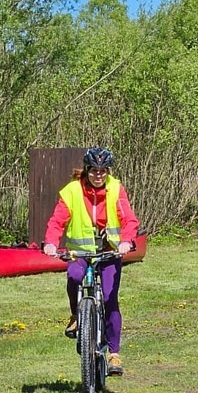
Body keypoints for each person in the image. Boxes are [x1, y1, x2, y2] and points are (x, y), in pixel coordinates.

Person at [43, 147, 139, 376]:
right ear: (87, 170)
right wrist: (50, 243)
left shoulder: (116, 189)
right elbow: (57, 221)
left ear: (108, 171)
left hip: (109, 252)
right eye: (94, 171)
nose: (98, 175)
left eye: (103, 171)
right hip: (80, 252)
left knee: (109, 297)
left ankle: (114, 354)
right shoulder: (72, 191)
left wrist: (126, 241)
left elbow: (129, 220)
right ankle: (77, 316)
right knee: (75, 276)